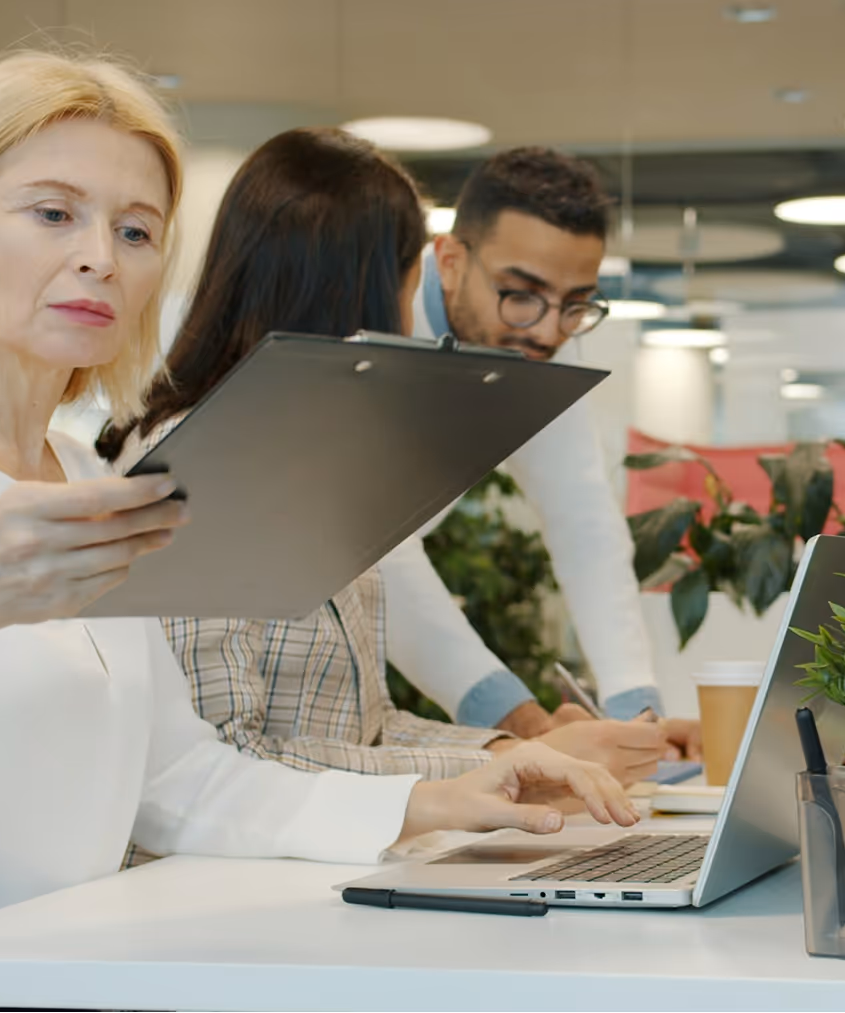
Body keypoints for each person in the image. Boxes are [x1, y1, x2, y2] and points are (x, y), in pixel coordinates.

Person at [0, 54, 638, 995]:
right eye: (52, 213)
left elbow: (179, 782)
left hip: (59, 975)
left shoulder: (84, 477)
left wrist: (433, 795)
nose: (99, 257)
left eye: (136, 230)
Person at [98, 128, 665, 804]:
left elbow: (365, 727)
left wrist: (525, 753)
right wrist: (512, 760)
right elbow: (221, 763)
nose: (546, 330)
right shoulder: (201, 471)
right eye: (406, 279)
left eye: (572, 307)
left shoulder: (324, 461)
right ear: (368, 291)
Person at [379, 148, 704, 758]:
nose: (550, 332)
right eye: (520, 294)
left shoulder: (540, 335)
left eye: (576, 303)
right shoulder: (370, 317)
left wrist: (635, 717)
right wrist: (523, 720)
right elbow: (371, 553)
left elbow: (584, 524)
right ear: (449, 261)